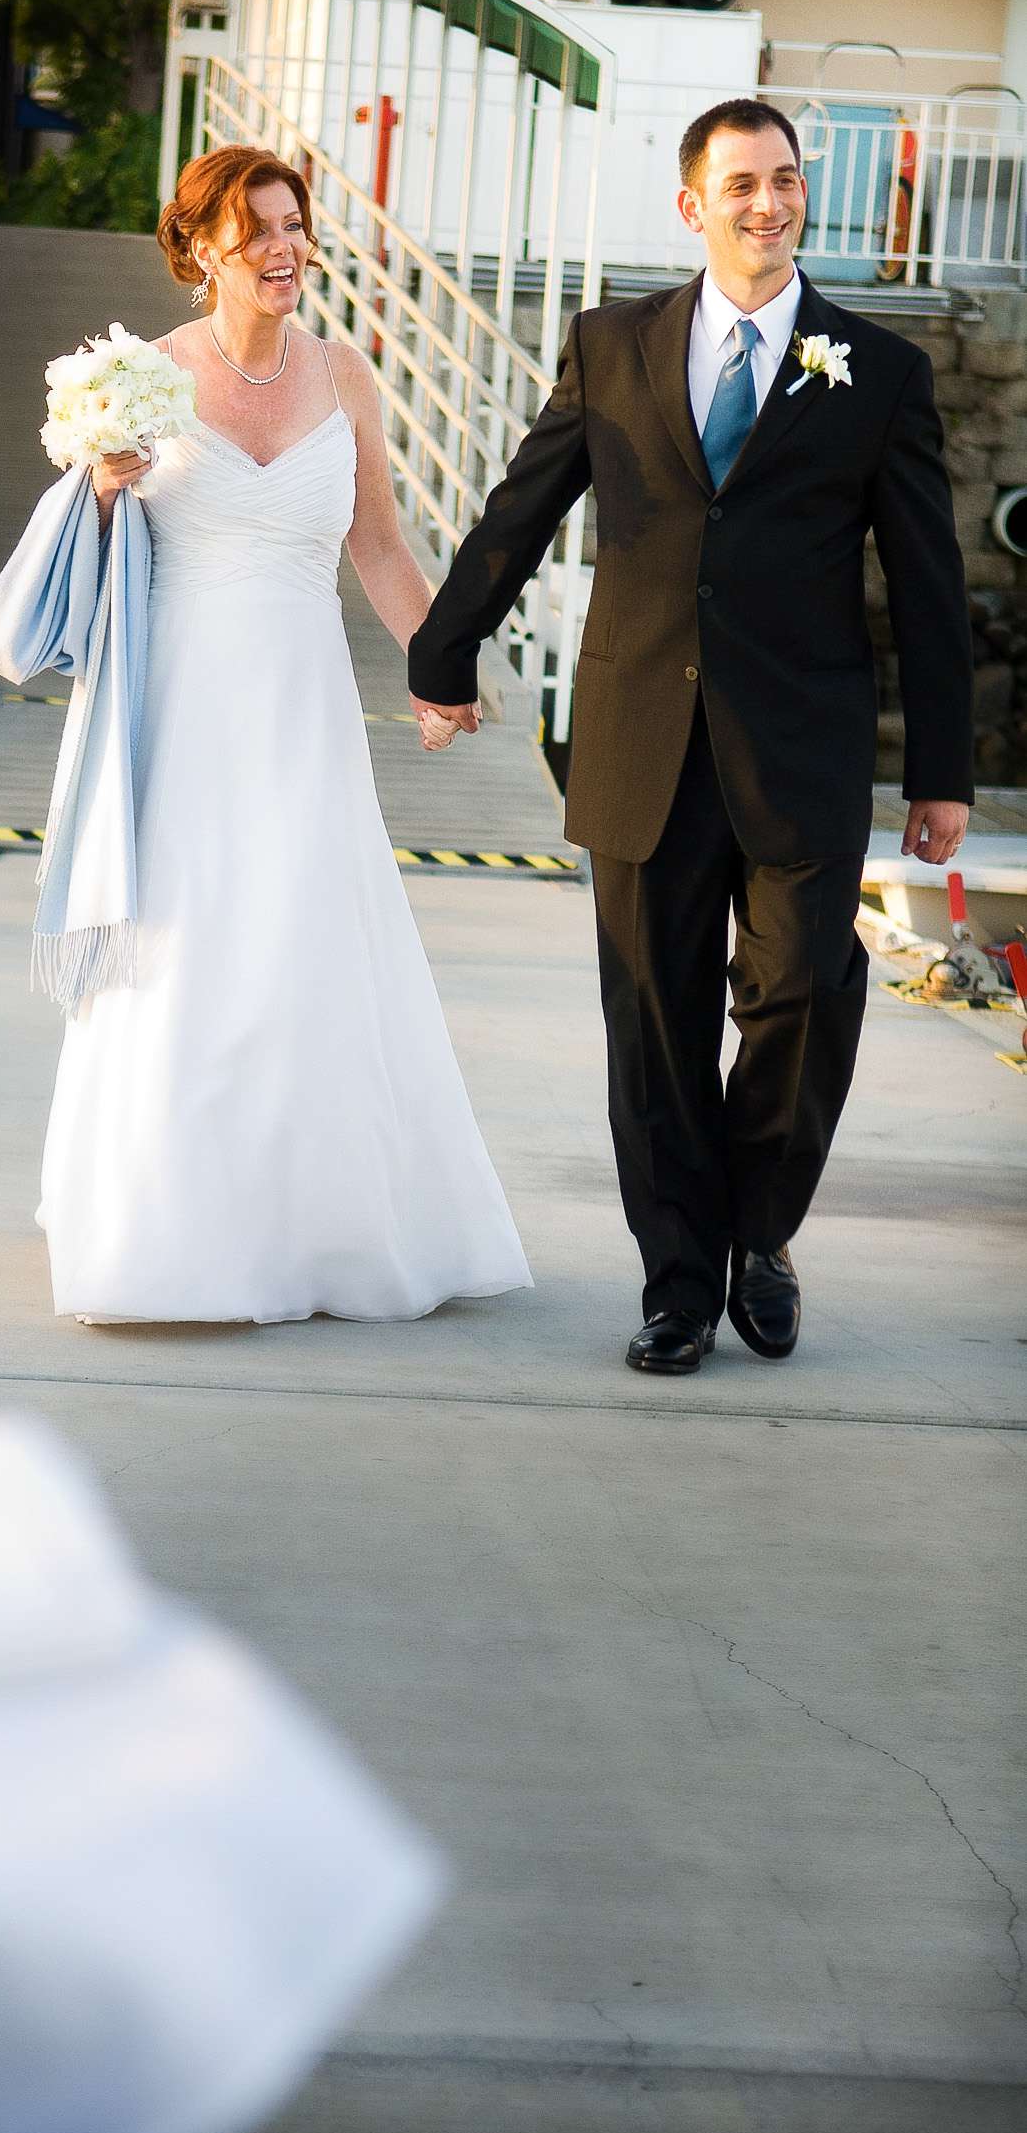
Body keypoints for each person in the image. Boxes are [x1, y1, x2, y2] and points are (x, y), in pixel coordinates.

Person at [408, 97, 973, 1375]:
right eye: (741, 184)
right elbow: (525, 502)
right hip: (638, 739)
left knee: (798, 1003)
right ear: (691, 203)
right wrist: (447, 648)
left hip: (803, 752)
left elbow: (928, 581)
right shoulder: (610, 344)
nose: (767, 203)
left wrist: (940, 770)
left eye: (784, 180)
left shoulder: (878, 370)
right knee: (653, 1020)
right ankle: (676, 1286)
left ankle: (760, 1236)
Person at [35, 144, 530, 1323]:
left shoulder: (345, 376)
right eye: (255, 228)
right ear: (201, 247)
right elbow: (94, 557)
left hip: (303, 710)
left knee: (306, 941)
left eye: (294, 225)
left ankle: (323, 1225)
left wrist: (440, 665)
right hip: (184, 708)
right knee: (187, 945)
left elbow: (379, 547)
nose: (281, 247)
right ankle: (166, 1224)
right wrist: (102, 486)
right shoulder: (141, 377)